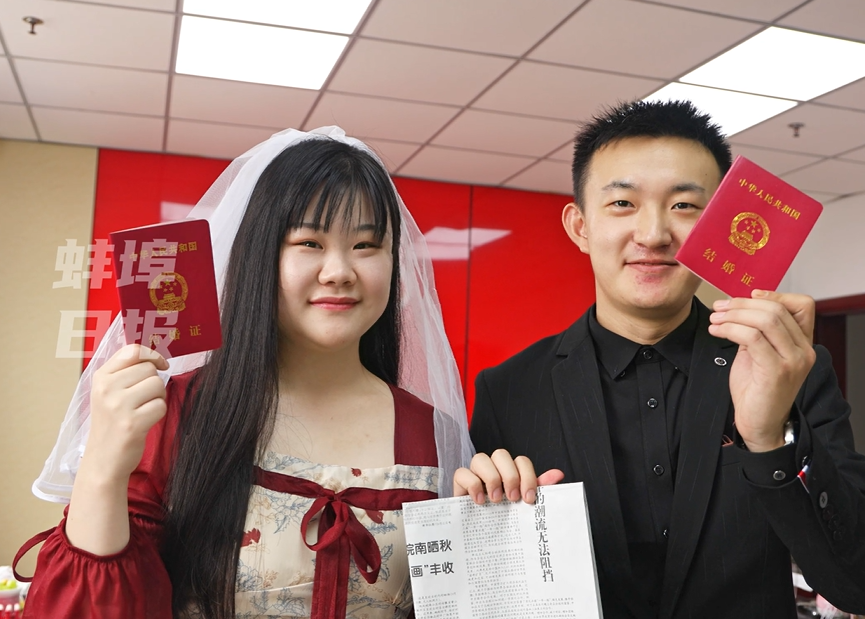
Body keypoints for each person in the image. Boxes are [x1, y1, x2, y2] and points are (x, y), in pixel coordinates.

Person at [16, 127, 542, 619]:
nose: (339, 271)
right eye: (309, 243)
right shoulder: (175, 412)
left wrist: (503, 523)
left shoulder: (434, 434)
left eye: (366, 245)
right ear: (260, 257)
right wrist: (103, 466)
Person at [469, 100, 865, 618]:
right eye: (622, 203)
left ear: (719, 223)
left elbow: (855, 583)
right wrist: (479, 519)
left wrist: (770, 437)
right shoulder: (510, 389)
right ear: (580, 226)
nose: (654, 235)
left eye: (684, 205)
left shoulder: (789, 367)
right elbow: (496, 585)